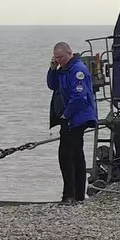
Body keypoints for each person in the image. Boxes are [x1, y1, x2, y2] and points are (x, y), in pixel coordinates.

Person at [47, 43, 98, 204]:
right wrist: (52, 69)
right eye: (56, 57)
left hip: (77, 117)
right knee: (76, 155)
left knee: (66, 155)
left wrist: (66, 115)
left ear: (69, 54)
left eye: (60, 57)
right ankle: (77, 195)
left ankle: (69, 195)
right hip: (69, 117)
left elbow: (79, 97)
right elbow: (52, 85)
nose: (58, 60)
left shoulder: (78, 70)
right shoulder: (63, 69)